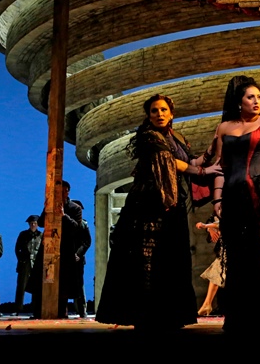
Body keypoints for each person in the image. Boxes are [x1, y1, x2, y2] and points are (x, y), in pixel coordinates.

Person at [96, 94, 221, 331]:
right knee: (147, 259)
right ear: (149, 115)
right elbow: (172, 162)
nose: (159, 114)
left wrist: (213, 150)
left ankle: (169, 314)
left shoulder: (177, 137)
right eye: (154, 111)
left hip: (173, 205)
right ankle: (145, 315)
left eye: (163, 110)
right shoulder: (149, 136)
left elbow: (191, 161)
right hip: (148, 205)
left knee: (171, 257)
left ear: (171, 113)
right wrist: (204, 171)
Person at [210, 76, 260, 331]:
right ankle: (240, 317)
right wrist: (217, 198)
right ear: (239, 102)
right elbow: (220, 167)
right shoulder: (224, 128)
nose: (256, 101)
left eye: (259, 97)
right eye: (250, 97)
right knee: (237, 255)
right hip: (234, 196)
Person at [29, 181, 83, 318]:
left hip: (65, 250)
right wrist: (47, 208)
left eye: (64, 191)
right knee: (45, 279)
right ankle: (40, 311)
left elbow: (76, 228)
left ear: (68, 192)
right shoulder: (51, 205)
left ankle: (61, 312)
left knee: (63, 283)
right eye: (59, 191)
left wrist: (64, 215)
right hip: (49, 248)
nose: (62, 194)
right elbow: (41, 223)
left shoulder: (75, 208)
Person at [195, 214, 225, 316]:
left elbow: (224, 223)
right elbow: (217, 221)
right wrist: (209, 227)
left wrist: (206, 226)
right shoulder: (217, 212)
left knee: (217, 272)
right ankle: (207, 304)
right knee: (215, 273)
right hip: (224, 250)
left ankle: (207, 304)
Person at [13, 215, 42, 315]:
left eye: (35, 223)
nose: (33, 225)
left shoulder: (41, 235)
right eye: (31, 223)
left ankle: (35, 308)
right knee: (21, 286)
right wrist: (21, 260)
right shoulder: (23, 234)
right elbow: (17, 249)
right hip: (25, 263)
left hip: (36, 264)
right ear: (29, 224)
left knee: (36, 287)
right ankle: (18, 309)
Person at [71, 199, 91, 318]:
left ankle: (81, 309)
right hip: (66, 258)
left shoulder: (83, 224)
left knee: (79, 284)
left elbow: (87, 241)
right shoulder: (67, 223)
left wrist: (78, 254)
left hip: (78, 259)